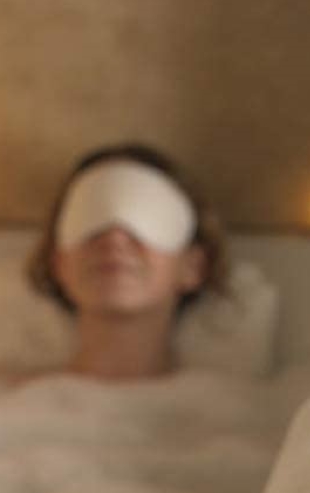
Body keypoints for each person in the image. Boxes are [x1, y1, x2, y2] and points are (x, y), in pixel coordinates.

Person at [28, 143, 227, 380]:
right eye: (88, 218)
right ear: (58, 262)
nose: (114, 239)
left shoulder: (245, 410)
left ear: (193, 266)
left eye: (148, 217)